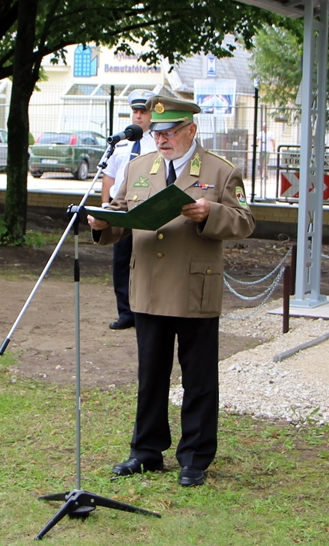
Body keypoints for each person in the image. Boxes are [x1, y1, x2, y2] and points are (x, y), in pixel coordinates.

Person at [87, 95, 254, 487]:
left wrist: (211, 213)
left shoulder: (220, 170)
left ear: (191, 131)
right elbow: (123, 215)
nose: (161, 140)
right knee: (151, 375)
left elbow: (245, 221)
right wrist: (101, 223)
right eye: (157, 132)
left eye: (170, 132)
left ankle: (194, 457)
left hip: (194, 287)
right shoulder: (138, 166)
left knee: (197, 378)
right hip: (147, 286)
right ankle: (145, 451)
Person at [100, 89, 156, 330]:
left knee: (148, 260)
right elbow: (108, 176)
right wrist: (105, 206)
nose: (139, 116)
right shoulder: (120, 141)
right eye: (135, 111)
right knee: (122, 261)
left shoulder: (158, 142)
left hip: (148, 209)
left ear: (152, 114)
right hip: (121, 209)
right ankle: (126, 313)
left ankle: (149, 310)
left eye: (143, 111)